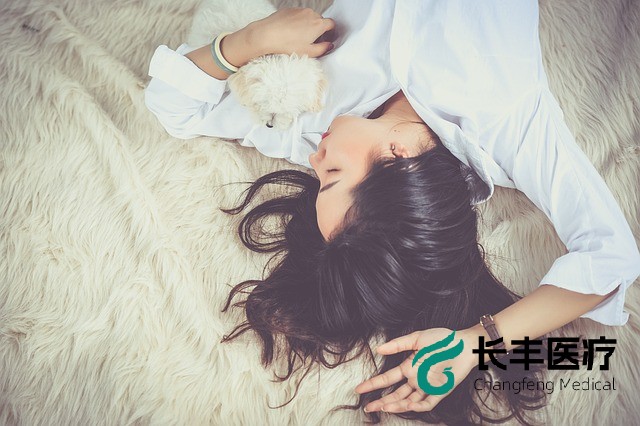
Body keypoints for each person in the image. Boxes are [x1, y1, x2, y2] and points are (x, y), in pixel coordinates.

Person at [144, 1, 640, 424]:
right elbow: (610, 258)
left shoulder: (314, 124)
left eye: (319, 180)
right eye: (332, 174)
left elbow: (176, 108)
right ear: (399, 159)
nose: (315, 159)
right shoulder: (508, 122)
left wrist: (251, 41)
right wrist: (476, 341)